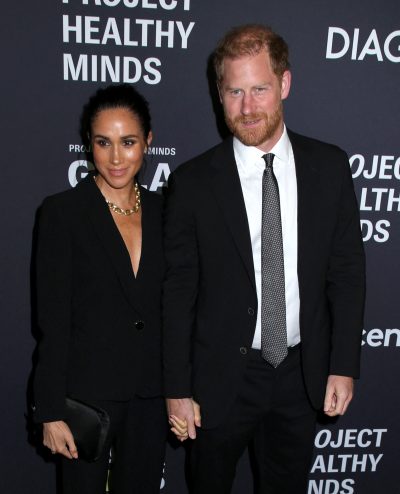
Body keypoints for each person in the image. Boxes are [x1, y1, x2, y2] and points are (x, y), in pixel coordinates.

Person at [163, 25, 365, 494]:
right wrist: (177, 389)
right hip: (219, 379)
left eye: (259, 89)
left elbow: (347, 274)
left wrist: (343, 364)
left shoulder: (329, 167)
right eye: (235, 92)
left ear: (285, 84)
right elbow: (177, 293)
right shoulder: (192, 183)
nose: (248, 107)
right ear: (219, 94)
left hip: (301, 374)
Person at [32, 84, 167, 494]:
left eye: (128, 142)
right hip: (86, 397)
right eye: (103, 142)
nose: (115, 158)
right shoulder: (63, 213)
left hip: (151, 395)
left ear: (148, 141)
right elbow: (52, 321)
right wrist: (50, 410)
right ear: (89, 144)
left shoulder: (167, 211)